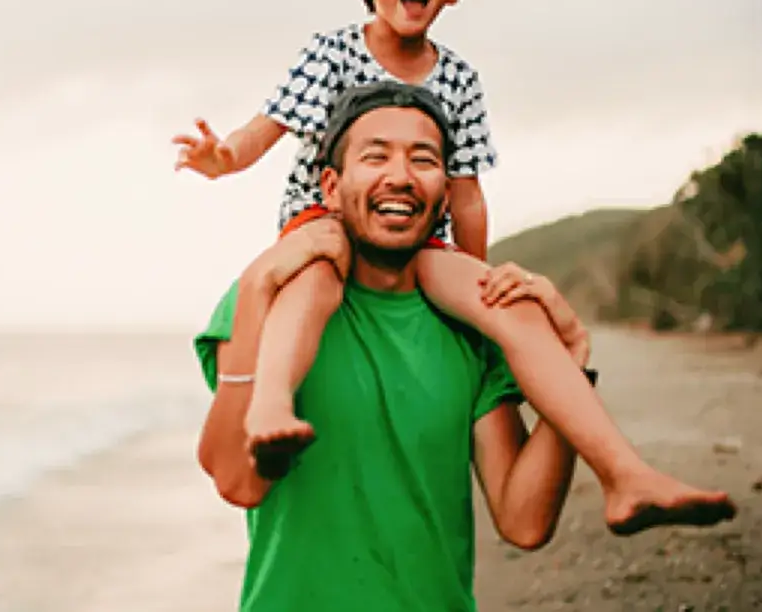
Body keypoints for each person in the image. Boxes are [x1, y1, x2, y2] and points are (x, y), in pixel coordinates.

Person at [175, 0, 736, 536]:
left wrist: (481, 283)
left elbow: (465, 195)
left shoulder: (460, 80)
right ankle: (271, 405)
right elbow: (264, 128)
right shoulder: (329, 52)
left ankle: (625, 475)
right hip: (320, 222)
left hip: (425, 239)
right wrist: (224, 158)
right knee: (316, 274)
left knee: (512, 309)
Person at [194, 85, 584, 611]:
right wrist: (259, 288)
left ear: (443, 194)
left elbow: (524, 519)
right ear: (330, 187)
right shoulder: (268, 301)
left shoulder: (469, 327)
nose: (399, 176)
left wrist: (571, 365)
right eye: (375, 155)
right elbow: (238, 483)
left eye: (422, 159)